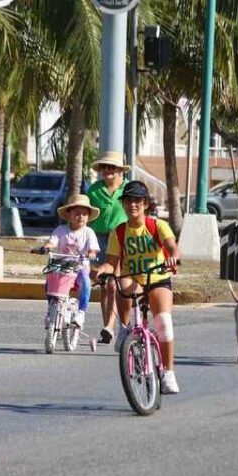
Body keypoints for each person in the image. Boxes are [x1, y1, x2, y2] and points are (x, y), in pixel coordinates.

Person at [92, 180, 182, 393]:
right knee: (120, 281)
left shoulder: (157, 226)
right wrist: (102, 270)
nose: (132, 204)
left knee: (164, 323)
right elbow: (111, 262)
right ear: (123, 204)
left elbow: (172, 247)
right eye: (128, 200)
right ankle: (124, 330)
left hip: (157, 278)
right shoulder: (119, 231)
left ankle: (168, 373)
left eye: (137, 200)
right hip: (133, 278)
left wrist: (173, 257)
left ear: (145, 203)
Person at [38, 194, 101, 330]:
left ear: (88, 217)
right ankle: (50, 309)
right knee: (50, 280)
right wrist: (45, 248)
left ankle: (81, 313)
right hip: (62, 266)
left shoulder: (89, 232)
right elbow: (52, 242)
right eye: (77, 213)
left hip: (80, 266)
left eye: (84, 214)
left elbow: (93, 250)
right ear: (68, 214)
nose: (81, 216)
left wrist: (91, 254)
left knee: (86, 282)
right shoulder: (61, 230)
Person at [86, 151, 129, 343]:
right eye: (105, 167)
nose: (108, 170)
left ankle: (112, 326)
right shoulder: (93, 190)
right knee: (104, 284)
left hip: (121, 239)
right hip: (99, 239)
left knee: (114, 284)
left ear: (121, 170)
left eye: (112, 167)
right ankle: (108, 328)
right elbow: (85, 216)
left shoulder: (128, 189)